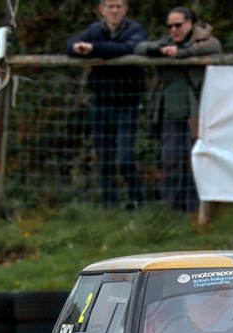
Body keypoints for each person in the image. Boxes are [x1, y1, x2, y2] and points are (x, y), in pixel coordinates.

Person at [136, 7, 222, 213]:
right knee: (171, 160)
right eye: (170, 26)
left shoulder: (203, 40)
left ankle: (194, 209)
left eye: (178, 25)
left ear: (190, 24)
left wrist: (181, 53)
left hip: (196, 114)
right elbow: (140, 48)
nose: (174, 30)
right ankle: (172, 209)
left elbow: (215, 47)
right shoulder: (165, 42)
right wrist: (161, 50)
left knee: (195, 162)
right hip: (169, 114)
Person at [67, 0, 147, 210]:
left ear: (125, 9)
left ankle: (136, 201)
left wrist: (94, 48)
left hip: (127, 103)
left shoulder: (135, 30)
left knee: (126, 157)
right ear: (102, 9)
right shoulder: (95, 30)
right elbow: (72, 45)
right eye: (110, 6)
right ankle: (110, 207)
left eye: (118, 6)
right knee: (105, 159)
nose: (114, 10)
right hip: (100, 103)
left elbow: (128, 48)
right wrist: (78, 47)